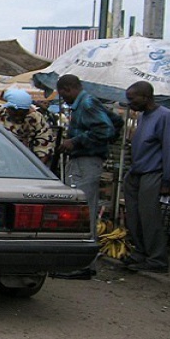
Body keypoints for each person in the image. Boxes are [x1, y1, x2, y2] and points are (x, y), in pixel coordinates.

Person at [52, 74, 120, 279]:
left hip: (87, 161)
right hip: (86, 159)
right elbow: (116, 122)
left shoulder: (87, 104)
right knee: (79, 209)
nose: (63, 99)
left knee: (83, 211)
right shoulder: (88, 103)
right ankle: (78, 261)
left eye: (63, 94)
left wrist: (77, 141)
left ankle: (83, 265)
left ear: (67, 89)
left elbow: (105, 129)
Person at [123, 81, 170, 273]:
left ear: (145, 97)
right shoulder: (143, 116)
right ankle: (141, 252)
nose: (129, 103)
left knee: (149, 218)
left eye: (132, 99)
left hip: (153, 174)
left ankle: (157, 259)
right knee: (134, 217)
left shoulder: (165, 116)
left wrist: (167, 181)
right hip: (137, 172)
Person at [0, 89, 54, 165]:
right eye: (14, 113)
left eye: (22, 114)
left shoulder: (35, 118)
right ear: (7, 108)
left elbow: (45, 148)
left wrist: (35, 171)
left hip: (20, 165)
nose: (17, 117)